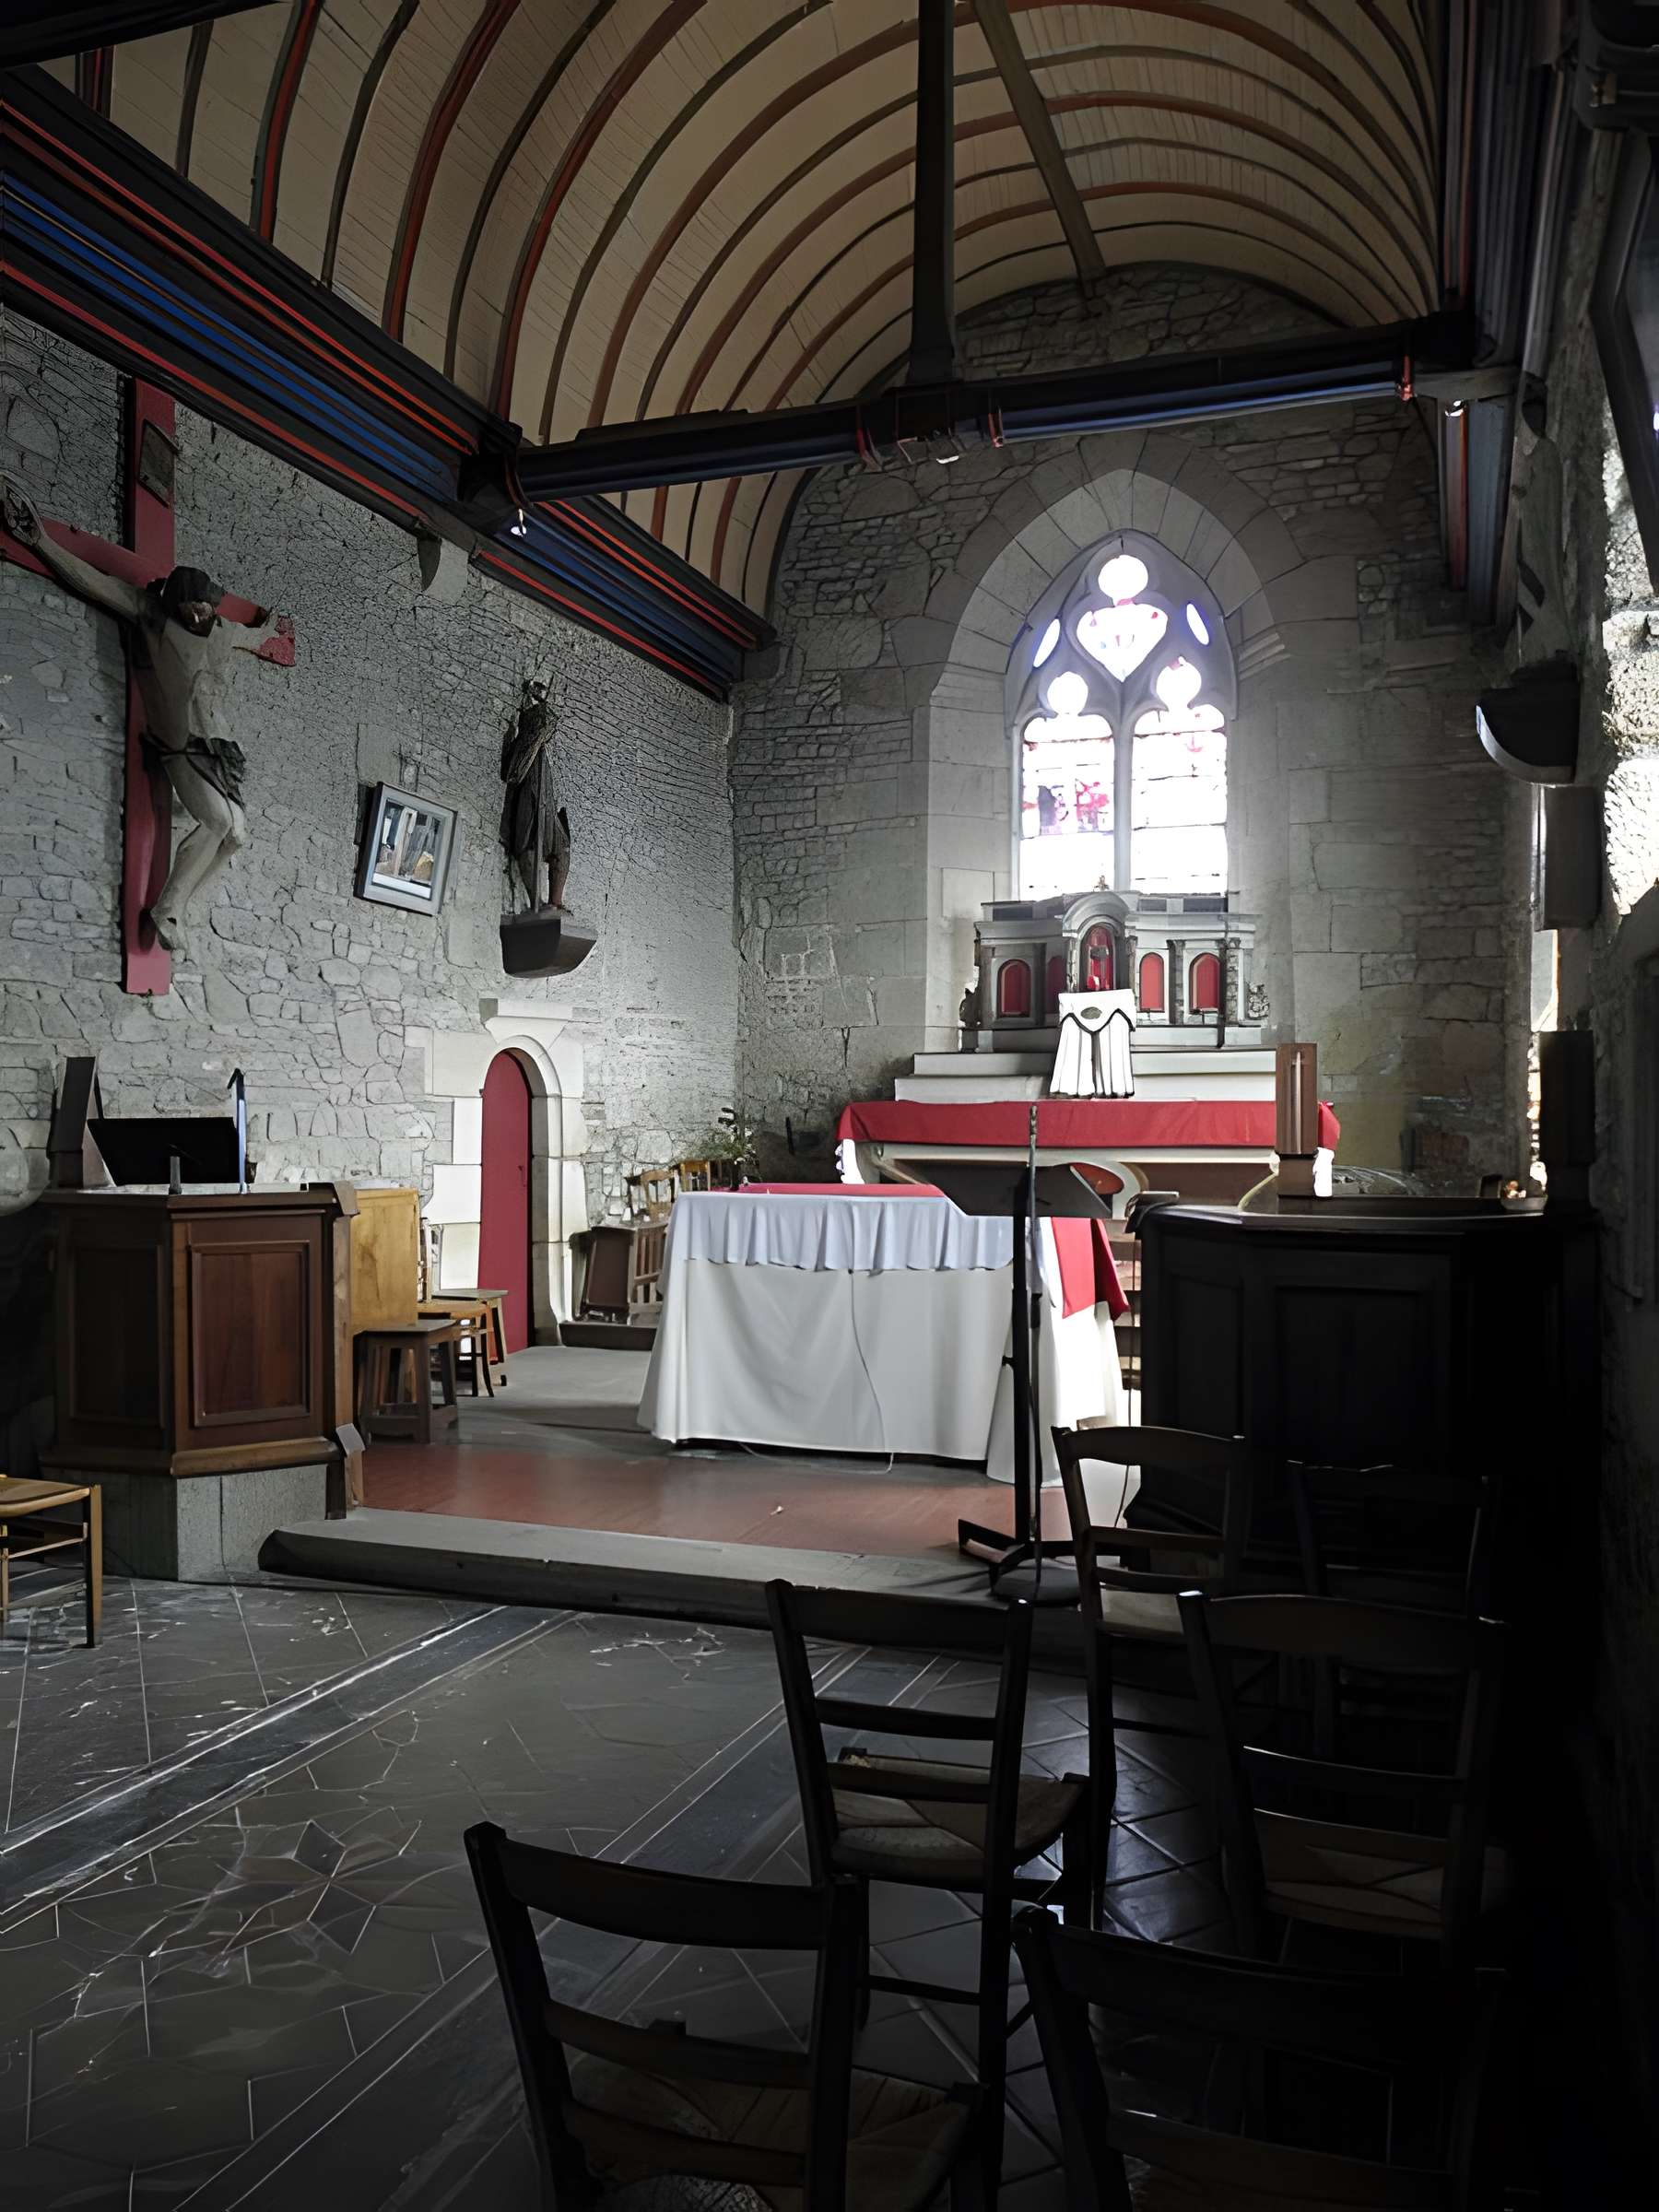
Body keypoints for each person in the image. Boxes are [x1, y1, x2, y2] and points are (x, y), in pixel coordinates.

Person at [2, 473, 288, 954]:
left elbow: (252, 636)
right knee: (218, 823)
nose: (200, 615)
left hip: (217, 745)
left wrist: (270, 628)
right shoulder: (151, 615)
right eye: (191, 607)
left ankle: (177, 906)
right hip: (178, 743)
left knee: (237, 836)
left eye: (205, 607)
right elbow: (92, 581)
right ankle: (166, 909)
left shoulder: (220, 630)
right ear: (174, 602)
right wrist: (43, 543)